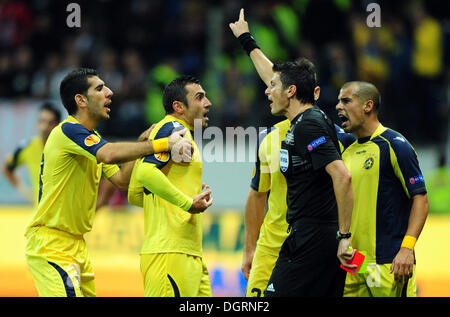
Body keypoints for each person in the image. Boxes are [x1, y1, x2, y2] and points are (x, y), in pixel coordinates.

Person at [24, 68, 191, 297]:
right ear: (80, 100)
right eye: (100, 88)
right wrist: (163, 144)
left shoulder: (92, 140)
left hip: (76, 245)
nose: (110, 92)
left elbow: (121, 180)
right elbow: (109, 154)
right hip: (52, 244)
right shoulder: (68, 130)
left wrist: (140, 144)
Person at [230, 9, 355, 297]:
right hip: (297, 240)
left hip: (310, 239)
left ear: (291, 92)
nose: (267, 90)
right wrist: (246, 39)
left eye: (273, 87)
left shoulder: (310, 125)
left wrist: (345, 236)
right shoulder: (297, 126)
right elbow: (273, 78)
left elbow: (343, 177)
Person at [336, 81, 429, 297]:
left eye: (346, 100)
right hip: (353, 262)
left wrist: (407, 248)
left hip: (390, 262)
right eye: (339, 101)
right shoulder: (346, 149)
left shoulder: (395, 145)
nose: (338, 106)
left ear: (368, 106)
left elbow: (421, 200)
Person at [128, 75, 214, 297]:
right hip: (170, 254)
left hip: (187, 252)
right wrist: (187, 203)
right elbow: (145, 173)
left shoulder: (177, 133)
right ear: (178, 106)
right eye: (200, 97)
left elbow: (136, 195)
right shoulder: (174, 128)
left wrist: (177, 190)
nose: (208, 103)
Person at [2, 102, 61, 206]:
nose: (44, 127)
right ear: (37, 123)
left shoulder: (66, 148)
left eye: (50, 123)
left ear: (58, 125)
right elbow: (7, 169)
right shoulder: (27, 147)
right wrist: (26, 192)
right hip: (39, 213)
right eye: (41, 121)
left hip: (64, 213)